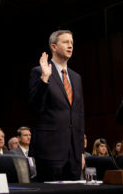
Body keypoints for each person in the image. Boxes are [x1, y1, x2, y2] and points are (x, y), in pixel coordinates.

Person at [29, 30, 85, 181]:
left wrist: (80, 152)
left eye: (72, 43)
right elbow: (36, 107)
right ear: (53, 46)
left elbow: (79, 115)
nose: (70, 46)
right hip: (49, 151)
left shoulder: (76, 77)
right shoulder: (39, 71)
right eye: (66, 42)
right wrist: (44, 79)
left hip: (73, 154)